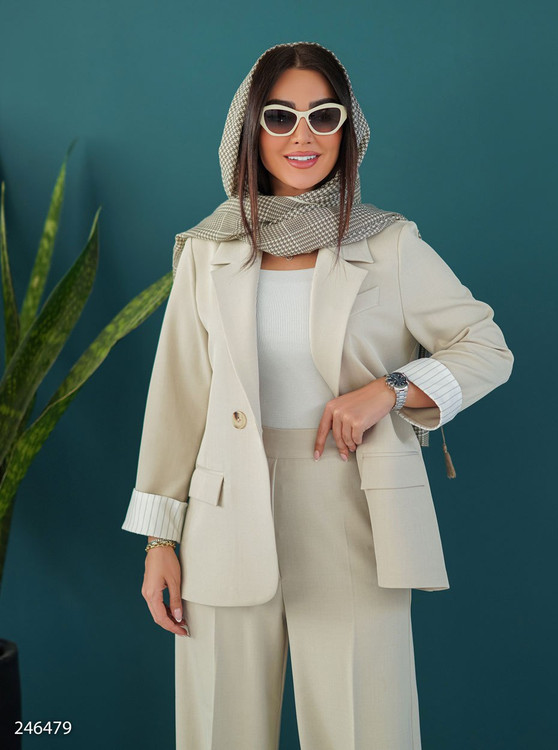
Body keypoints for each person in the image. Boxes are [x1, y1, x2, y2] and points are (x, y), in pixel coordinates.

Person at [121, 41, 514, 750]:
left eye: (322, 115)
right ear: (250, 129)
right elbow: (177, 399)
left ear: (346, 129)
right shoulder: (209, 249)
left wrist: (391, 390)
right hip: (221, 520)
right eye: (280, 116)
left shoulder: (389, 244)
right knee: (218, 733)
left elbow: (485, 346)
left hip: (355, 514)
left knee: (366, 731)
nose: (302, 135)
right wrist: (159, 540)